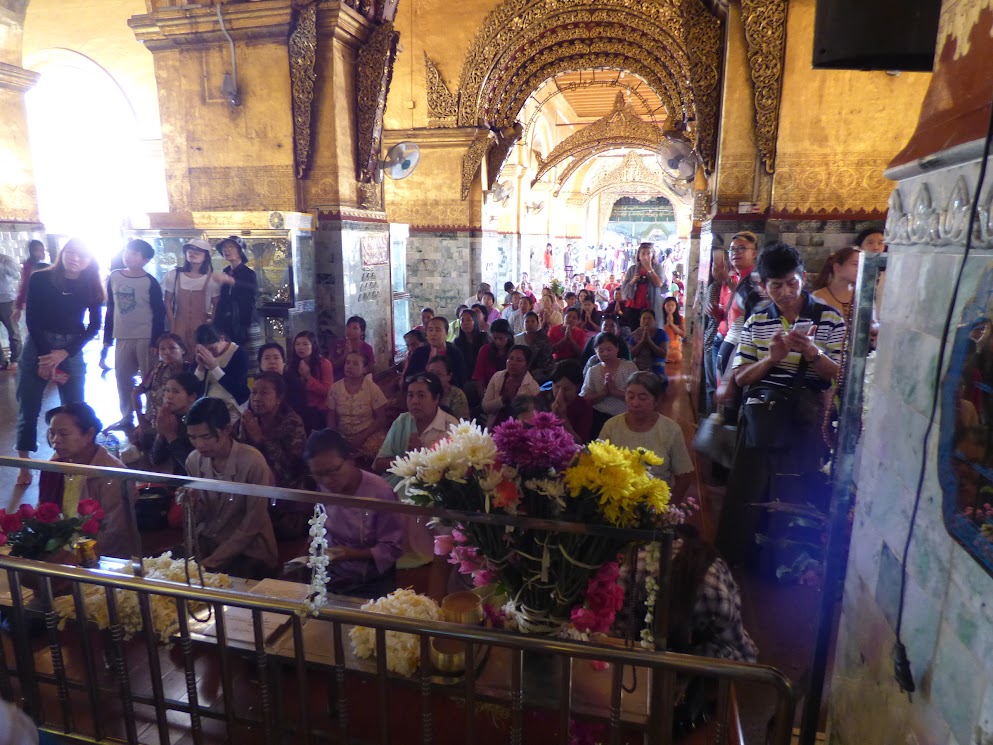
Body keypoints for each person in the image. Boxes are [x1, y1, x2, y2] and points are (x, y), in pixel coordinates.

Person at [714, 242, 845, 567]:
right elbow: (742, 377)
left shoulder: (829, 317)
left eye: (791, 283)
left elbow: (840, 375)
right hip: (761, 416)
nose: (785, 292)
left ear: (803, 278)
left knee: (795, 488)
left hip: (805, 417)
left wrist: (813, 353)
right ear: (763, 286)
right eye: (776, 285)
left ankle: (790, 564)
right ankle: (742, 561)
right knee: (749, 490)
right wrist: (771, 360)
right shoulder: (757, 320)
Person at [15, 240, 104, 486]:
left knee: (76, 408)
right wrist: (46, 358)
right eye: (71, 252)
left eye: (82, 256)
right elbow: (31, 319)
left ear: (89, 261)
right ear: (62, 253)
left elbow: (94, 326)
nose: (75, 258)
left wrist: (64, 354)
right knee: (29, 406)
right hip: (38, 344)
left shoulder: (91, 283)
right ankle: (24, 465)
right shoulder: (41, 278)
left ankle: (77, 460)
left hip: (71, 348)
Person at [184, 397, 279, 578]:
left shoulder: (252, 461)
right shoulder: (193, 460)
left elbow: (254, 522)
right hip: (210, 542)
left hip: (249, 550)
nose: (199, 445)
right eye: (193, 438)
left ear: (227, 429)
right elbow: (201, 517)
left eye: (206, 437)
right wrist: (191, 504)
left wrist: (212, 562)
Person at [305, 429, 405, 598]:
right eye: (318, 474)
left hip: (370, 580)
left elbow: (393, 547)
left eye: (333, 471)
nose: (327, 481)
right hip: (330, 570)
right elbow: (319, 522)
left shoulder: (380, 492)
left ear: (350, 460)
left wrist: (350, 554)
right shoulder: (323, 486)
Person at [38, 403, 136, 559]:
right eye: (52, 433)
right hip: (59, 551)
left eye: (63, 434)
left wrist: (72, 557)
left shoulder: (114, 475)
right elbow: (43, 514)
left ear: (89, 434)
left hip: (96, 557)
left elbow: (114, 534)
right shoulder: (55, 465)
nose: (55, 440)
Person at [103, 239, 167, 429]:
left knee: (149, 378)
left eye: (134, 253)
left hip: (145, 336)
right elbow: (111, 307)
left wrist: (156, 340)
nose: (128, 256)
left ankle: (150, 416)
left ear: (145, 260)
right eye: (127, 251)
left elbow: (159, 312)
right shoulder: (114, 277)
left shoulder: (150, 281)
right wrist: (107, 337)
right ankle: (126, 416)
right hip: (122, 335)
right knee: (122, 377)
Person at [599, 372, 694, 500]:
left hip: (655, 500)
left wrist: (670, 508)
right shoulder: (611, 426)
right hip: (618, 497)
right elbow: (598, 464)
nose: (635, 403)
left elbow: (684, 475)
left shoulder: (671, 430)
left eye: (642, 398)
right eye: (630, 396)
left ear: (656, 401)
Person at [131, 333, 193, 454]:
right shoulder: (157, 370)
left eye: (172, 348)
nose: (166, 352)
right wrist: (141, 420)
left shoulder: (191, 371)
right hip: (157, 420)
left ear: (183, 350)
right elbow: (136, 393)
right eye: (162, 349)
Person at [326, 351, 389, 461]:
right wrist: (335, 437)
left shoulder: (372, 388)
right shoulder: (335, 388)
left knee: (380, 453)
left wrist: (361, 437)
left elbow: (381, 418)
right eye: (348, 363)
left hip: (367, 434)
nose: (350, 366)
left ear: (364, 369)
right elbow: (331, 416)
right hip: (342, 435)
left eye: (355, 364)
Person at [163, 238, 220, 358]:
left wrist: (211, 323)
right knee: (177, 357)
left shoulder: (211, 279)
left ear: (206, 256)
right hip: (178, 324)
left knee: (199, 356)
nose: (193, 253)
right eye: (190, 250)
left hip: (201, 326)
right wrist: (172, 323)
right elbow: (167, 300)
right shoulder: (174, 275)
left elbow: (217, 304)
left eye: (198, 251)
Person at [581, 332, 640, 437]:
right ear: (595, 351)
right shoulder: (592, 371)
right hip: (598, 417)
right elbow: (584, 399)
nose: (605, 354)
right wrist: (603, 393)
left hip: (625, 416)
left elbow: (638, 395)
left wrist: (615, 392)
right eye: (601, 351)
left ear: (617, 348)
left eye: (609, 350)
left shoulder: (629, 367)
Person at [192, 324, 250, 424]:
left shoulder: (238, 353)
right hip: (208, 404)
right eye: (206, 350)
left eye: (212, 349)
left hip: (232, 406)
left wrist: (214, 367)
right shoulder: (202, 354)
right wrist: (200, 366)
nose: (210, 353)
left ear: (222, 339)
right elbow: (196, 387)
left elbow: (236, 387)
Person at [149, 372, 200, 474]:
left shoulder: (199, 421)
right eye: (167, 391)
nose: (169, 396)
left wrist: (171, 436)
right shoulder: (172, 417)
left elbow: (194, 468)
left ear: (192, 397)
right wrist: (161, 433)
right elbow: (156, 460)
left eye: (175, 391)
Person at [213, 236, 258, 347]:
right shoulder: (226, 271)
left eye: (231, 246)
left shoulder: (248, 273)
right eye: (224, 247)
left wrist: (231, 280)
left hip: (244, 322)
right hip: (227, 321)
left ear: (240, 251)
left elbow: (251, 290)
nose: (226, 250)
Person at [286, 330, 334, 432]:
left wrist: (308, 377)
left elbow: (327, 391)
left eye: (305, 344)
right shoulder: (292, 364)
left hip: (319, 411)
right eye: (297, 344)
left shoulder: (324, 364)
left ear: (313, 346)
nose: (300, 347)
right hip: (297, 410)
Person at [481, 344, 540, 428]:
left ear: (528, 365)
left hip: (519, 431)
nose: (513, 363)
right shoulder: (497, 377)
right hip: (494, 427)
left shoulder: (533, 388)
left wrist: (512, 397)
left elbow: (528, 420)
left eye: (519, 360)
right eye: (510, 358)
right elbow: (485, 407)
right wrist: (502, 399)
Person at [405, 316, 467, 388]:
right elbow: (408, 378)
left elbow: (460, 380)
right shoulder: (419, 353)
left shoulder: (455, 353)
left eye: (437, 330)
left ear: (446, 333)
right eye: (430, 330)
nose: (433, 334)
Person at [256, 341, 307, 420]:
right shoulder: (257, 384)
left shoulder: (294, 383)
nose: (272, 362)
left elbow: (298, 409)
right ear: (260, 364)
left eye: (276, 358)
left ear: (284, 362)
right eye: (267, 358)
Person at [621, 242, 665, 329]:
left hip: (650, 304)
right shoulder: (632, 269)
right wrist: (633, 280)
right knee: (634, 331)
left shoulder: (658, 267)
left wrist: (650, 269)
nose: (645, 256)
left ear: (652, 255)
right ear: (639, 255)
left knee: (649, 330)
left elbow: (659, 283)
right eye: (643, 253)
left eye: (648, 253)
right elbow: (624, 289)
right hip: (633, 304)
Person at [550, 359, 593, 443]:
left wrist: (562, 418)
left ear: (577, 388)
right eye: (557, 387)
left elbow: (580, 442)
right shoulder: (541, 399)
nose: (560, 393)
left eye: (566, 389)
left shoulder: (584, 407)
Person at [812, 247, 860, 320]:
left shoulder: (861, 296)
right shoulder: (818, 297)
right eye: (855, 264)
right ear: (837, 268)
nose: (859, 269)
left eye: (861, 264)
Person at [12, 239, 49, 330]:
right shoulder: (29, 266)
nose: (41, 253)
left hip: (46, 301)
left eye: (42, 250)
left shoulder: (46, 265)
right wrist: (18, 307)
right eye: (37, 250)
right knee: (37, 327)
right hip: (34, 302)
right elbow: (24, 285)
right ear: (31, 252)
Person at [514, 310, 555, 384]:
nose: (530, 324)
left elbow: (547, 358)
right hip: (521, 369)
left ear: (537, 324)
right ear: (523, 324)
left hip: (541, 370)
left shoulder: (543, 338)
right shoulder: (517, 339)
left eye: (533, 321)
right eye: (527, 321)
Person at [473, 318, 513, 391]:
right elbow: (479, 377)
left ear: (508, 337)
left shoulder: (514, 351)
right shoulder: (485, 350)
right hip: (489, 390)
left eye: (501, 338)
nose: (497, 342)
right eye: (494, 338)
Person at [427, 354, 470, 420]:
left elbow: (461, 424)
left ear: (449, 376)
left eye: (438, 374)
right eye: (431, 373)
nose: (433, 377)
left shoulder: (457, 395)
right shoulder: (423, 392)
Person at [630, 309, 670, 376]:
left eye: (649, 318)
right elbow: (631, 355)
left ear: (654, 320)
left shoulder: (661, 334)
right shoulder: (635, 334)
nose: (646, 321)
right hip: (637, 369)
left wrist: (649, 341)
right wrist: (642, 341)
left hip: (656, 369)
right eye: (644, 318)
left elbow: (663, 354)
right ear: (640, 321)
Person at [0, 253, 22, 372]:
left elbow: (16, 275)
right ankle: (1, 361)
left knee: (13, 330)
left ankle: (16, 359)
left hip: (7, 300)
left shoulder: (5, 259)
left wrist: (2, 266)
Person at [452, 307, 486, 375]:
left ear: (475, 321)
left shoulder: (484, 338)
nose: (465, 323)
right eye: (462, 320)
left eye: (468, 320)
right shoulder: (457, 342)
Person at [662, 297, 686, 364]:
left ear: (676, 307)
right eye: (668, 305)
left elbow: (683, 334)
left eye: (672, 305)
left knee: (677, 355)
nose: (670, 307)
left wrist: (672, 324)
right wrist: (667, 323)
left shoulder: (680, 318)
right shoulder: (660, 318)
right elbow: (659, 333)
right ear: (664, 306)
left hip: (674, 347)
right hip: (663, 345)